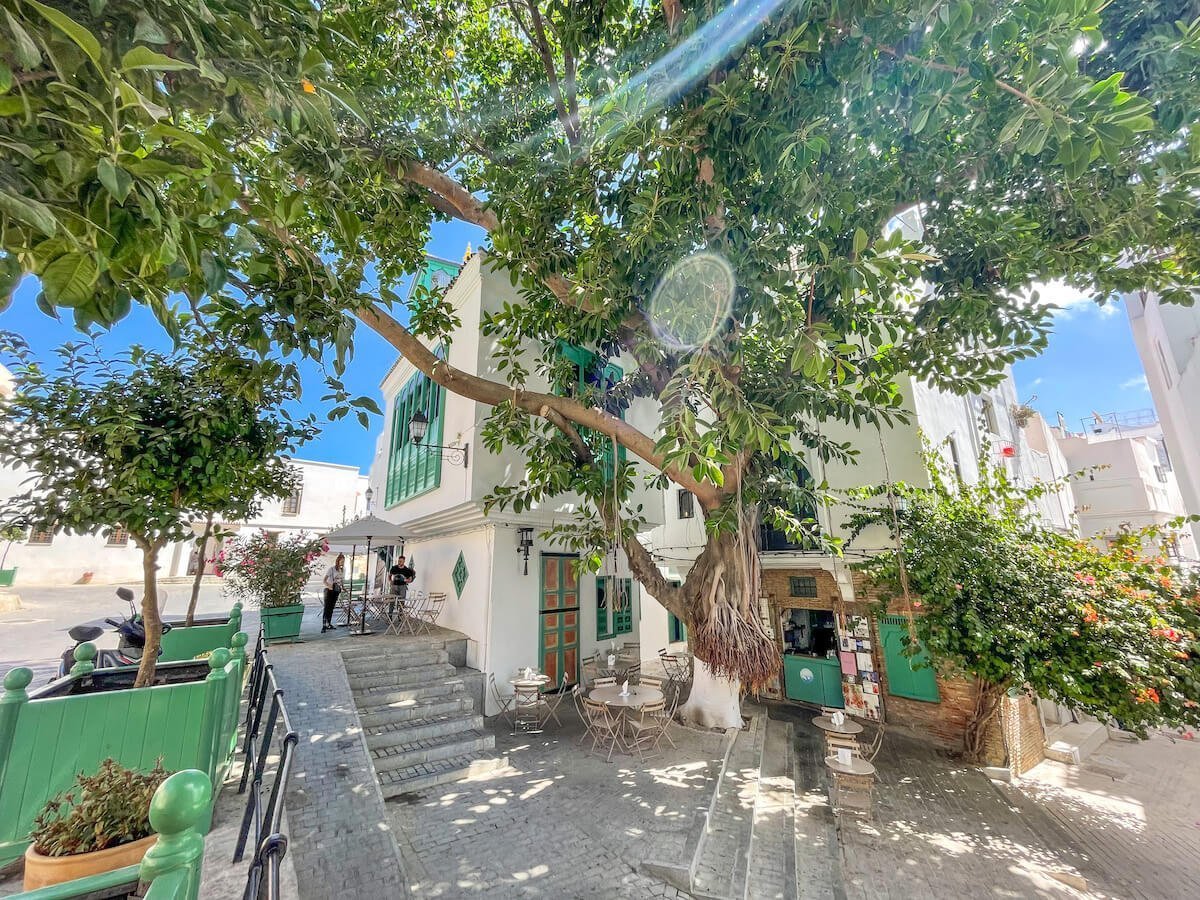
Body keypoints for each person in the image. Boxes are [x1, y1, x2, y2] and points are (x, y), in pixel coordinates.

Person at [322, 554, 345, 633]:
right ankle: (324, 625)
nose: (342, 563)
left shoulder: (342, 570)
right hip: (329, 590)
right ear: (337, 561)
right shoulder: (331, 569)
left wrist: (343, 588)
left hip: (336, 590)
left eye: (343, 561)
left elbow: (341, 581)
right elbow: (324, 580)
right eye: (341, 561)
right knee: (326, 608)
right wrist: (329, 586)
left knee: (331, 608)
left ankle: (329, 624)